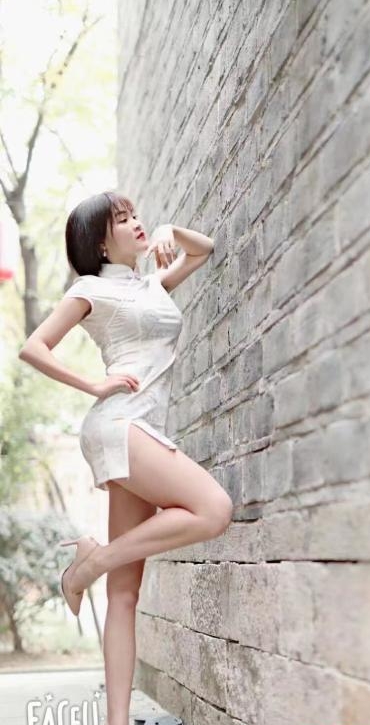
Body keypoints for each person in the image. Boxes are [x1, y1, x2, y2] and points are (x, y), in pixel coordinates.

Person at [18, 191, 233, 725]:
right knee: (214, 509)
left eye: (136, 215)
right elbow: (33, 347)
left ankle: (116, 718)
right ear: (99, 242)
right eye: (122, 219)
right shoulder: (90, 289)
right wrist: (94, 384)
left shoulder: (150, 286)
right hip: (120, 424)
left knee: (123, 593)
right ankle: (90, 563)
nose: (136, 223)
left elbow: (203, 249)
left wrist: (170, 230)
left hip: (140, 430)